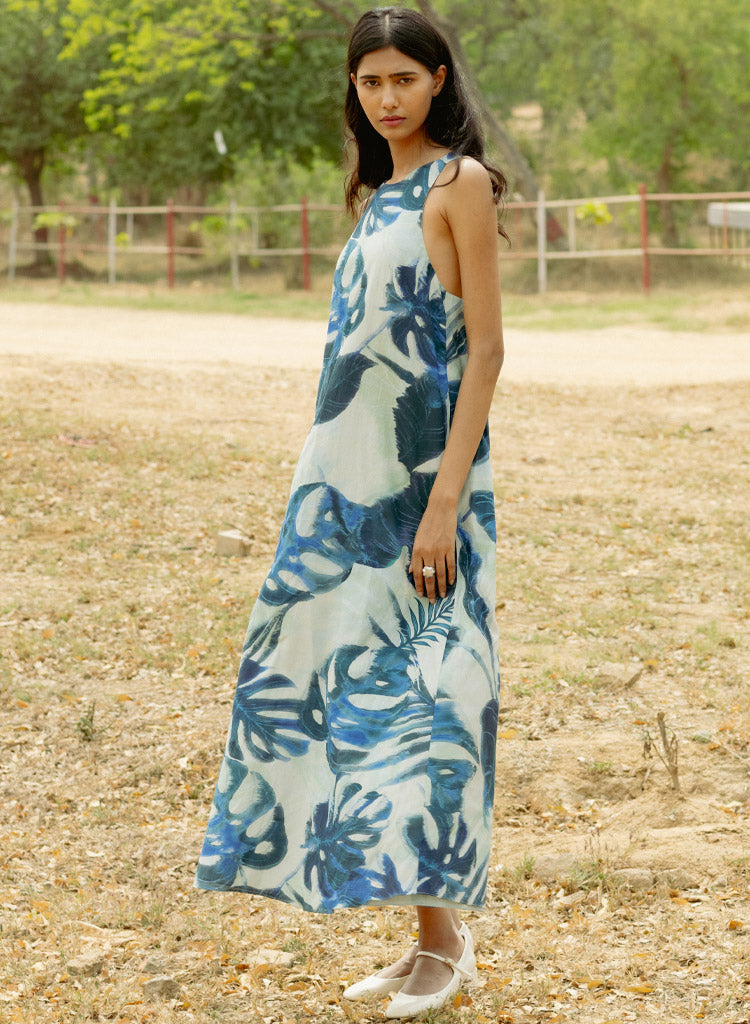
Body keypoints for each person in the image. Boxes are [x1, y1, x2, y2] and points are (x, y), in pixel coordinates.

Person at [194, 6, 506, 1019]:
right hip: (342, 486)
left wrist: (444, 502)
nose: (386, 97)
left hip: (423, 489)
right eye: (370, 81)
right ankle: (430, 938)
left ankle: (447, 945)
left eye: (403, 79)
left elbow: (487, 351)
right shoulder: (378, 196)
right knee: (346, 687)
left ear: (438, 79)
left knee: (430, 699)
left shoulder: (459, 184)